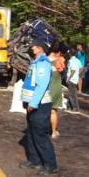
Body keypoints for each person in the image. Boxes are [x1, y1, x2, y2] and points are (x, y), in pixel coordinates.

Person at [19, 39, 58, 175]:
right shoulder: (35, 62)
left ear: (41, 48)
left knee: (40, 135)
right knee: (31, 133)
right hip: (32, 104)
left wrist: (33, 103)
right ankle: (34, 161)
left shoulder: (42, 63)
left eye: (34, 46)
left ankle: (50, 165)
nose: (32, 48)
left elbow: (41, 85)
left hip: (39, 105)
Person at [48, 44, 66, 139]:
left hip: (45, 88)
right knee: (53, 111)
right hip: (55, 87)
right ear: (58, 52)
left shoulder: (44, 59)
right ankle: (54, 132)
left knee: (43, 110)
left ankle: (45, 129)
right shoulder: (58, 60)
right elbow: (62, 72)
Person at [66, 48, 82, 112]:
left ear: (70, 54)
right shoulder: (78, 60)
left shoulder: (70, 61)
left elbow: (73, 70)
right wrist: (77, 74)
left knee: (71, 94)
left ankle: (75, 108)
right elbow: (81, 68)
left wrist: (68, 78)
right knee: (72, 93)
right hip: (75, 79)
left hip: (71, 79)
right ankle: (69, 106)